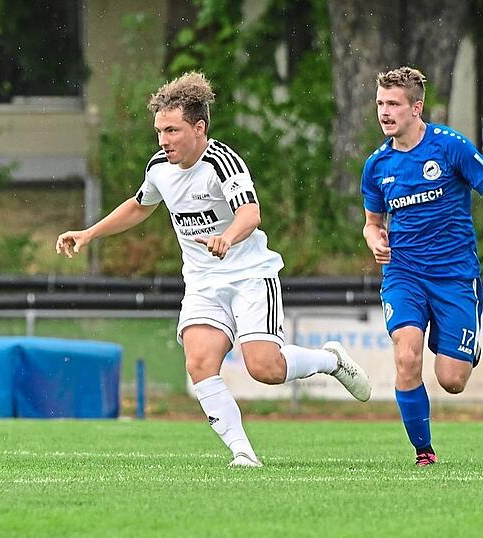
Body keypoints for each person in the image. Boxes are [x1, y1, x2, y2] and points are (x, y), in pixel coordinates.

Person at [56, 72, 371, 468]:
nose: (163, 140)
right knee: (199, 363)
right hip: (203, 283)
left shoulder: (221, 163)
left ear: (199, 127)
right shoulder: (159, 167)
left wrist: (228, 237)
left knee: (265, 369)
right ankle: (243, 453)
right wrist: (89, 233)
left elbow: (250, 214)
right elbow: (140, 205)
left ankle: (330, 360)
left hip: (249, 276)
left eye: (172, 130)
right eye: (159, 131)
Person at [360, 67, 483, 466]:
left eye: (393, 103)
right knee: (406, 356)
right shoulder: (377, 166)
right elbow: (372, 223)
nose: (385, 112)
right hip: (404, 274)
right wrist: (375, 239)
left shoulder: (450, 147)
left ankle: (462, 337)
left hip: (455, 276)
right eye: (380, 103)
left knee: (452, 380)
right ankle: (424, 452)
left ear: (416, 107)